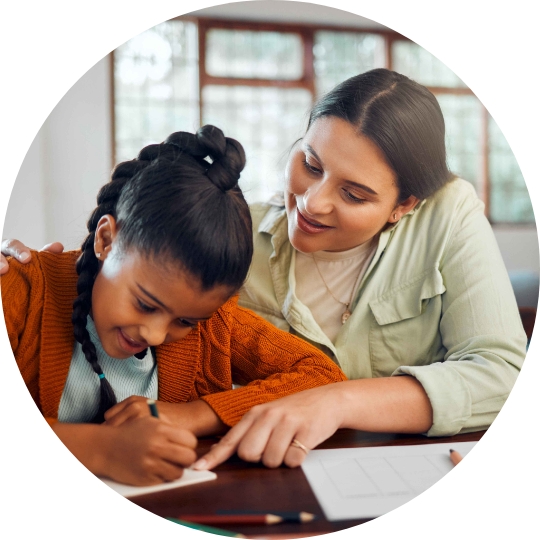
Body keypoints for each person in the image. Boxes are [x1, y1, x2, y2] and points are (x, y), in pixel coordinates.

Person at [3, 70, 528, 471]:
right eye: (312, 163)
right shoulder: (228, 241)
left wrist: (332, 402)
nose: (313, 203)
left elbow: (503, 374)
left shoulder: (448, 214)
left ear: (403, 205)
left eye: (354, 193)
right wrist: (45, 267)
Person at [0, 125, 346, 485]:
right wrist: (100, 448)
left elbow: (322, 377)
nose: (154, 334)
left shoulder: (213, 325)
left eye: (184, 320)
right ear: (106, 239)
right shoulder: (19, 293)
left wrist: (194, 415)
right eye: (145, 304)